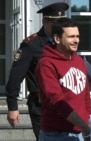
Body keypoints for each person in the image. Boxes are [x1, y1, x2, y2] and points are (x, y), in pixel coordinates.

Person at [5, 2, 69, 141]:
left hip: (65, 106)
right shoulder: (31, 45)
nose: (59, 27)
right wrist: (12, 106)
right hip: (41, 107)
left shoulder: (66, 42)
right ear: (44, 21)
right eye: (55, 23)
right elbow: (15, 77)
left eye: (61, 23)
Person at [35, 18, 91, 141]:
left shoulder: (79, 61)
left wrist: (89, 121)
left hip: (81, 132)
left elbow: (85, 95)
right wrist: (85, 127)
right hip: (56, 134)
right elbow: (56, 101)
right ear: (57, 39)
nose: (76, 40)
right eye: (71, 37)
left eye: (77, 36)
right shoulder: (46, 64)